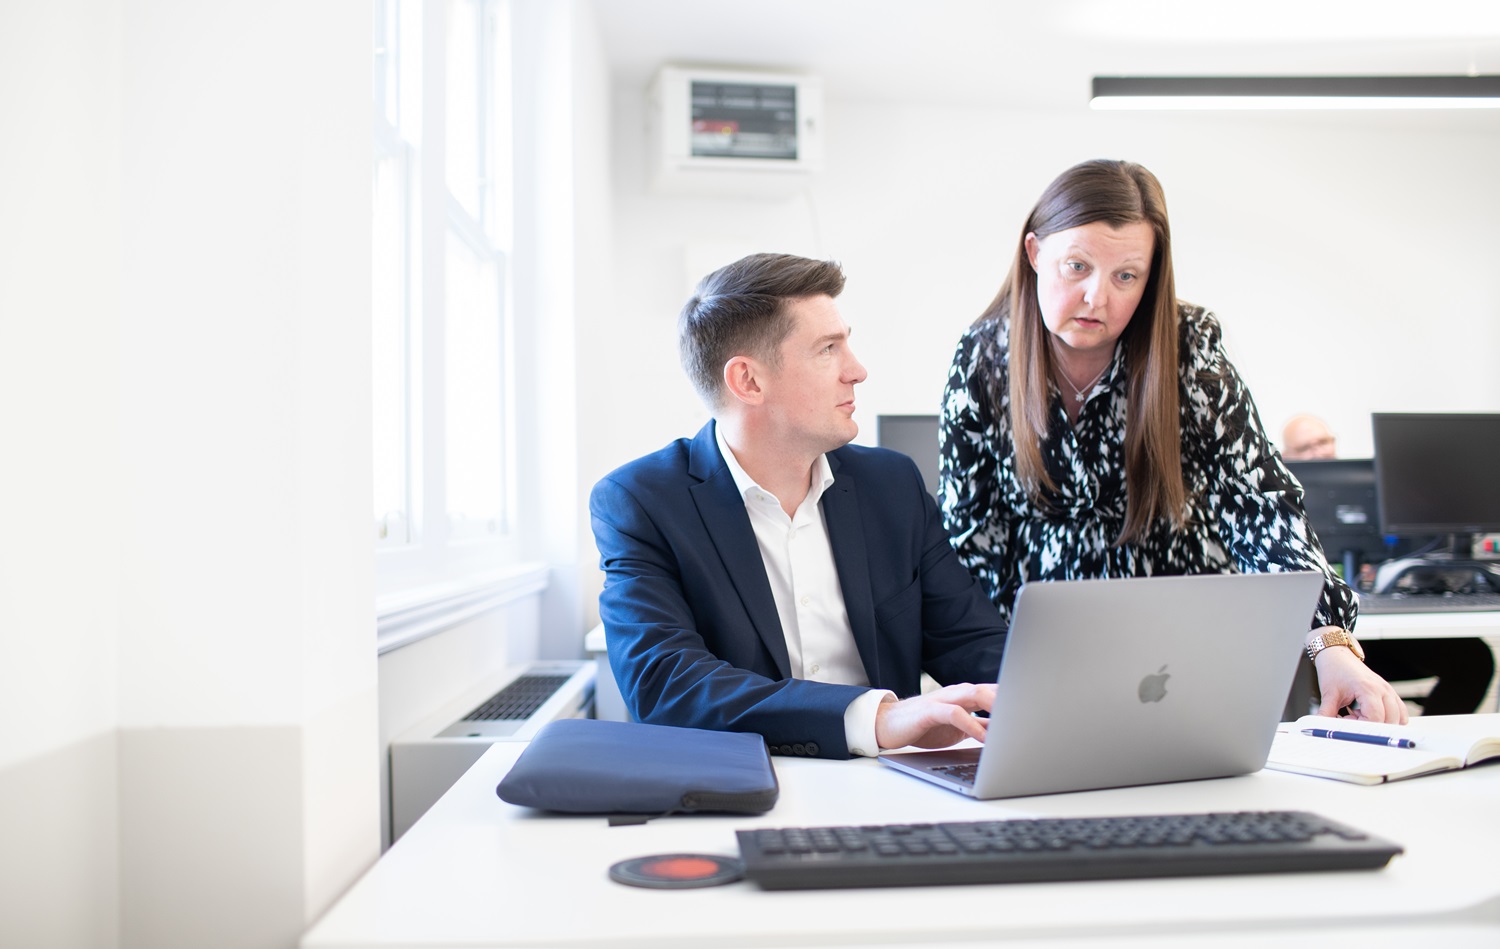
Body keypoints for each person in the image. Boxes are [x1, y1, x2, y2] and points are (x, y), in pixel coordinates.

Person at [940, 158, 1408, 724]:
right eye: (1077, 266)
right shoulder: (983, 358)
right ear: (1035, 253)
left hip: (1185, 647)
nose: (1097, 297)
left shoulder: (1189, 349)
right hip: (1045, 653)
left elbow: (1259, 503)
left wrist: (1328, 643)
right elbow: (972, 537)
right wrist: (993, 671)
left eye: (1126, 276)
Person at [591, 253, 1008, 759]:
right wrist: (876, 718)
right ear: (748, 381)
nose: (857, 370)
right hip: (741, 789)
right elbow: (669, 684)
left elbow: (976, 646)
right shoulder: (641, 502)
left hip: (893, 788)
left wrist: (1051, 699)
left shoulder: (891, 485)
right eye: (828, 350)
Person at [1282, 412, 1495, 713]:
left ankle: (1426, 747)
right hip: (1321, 639)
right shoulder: (1279, 506)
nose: (1320, 451)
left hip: (1375, 628)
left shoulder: (1371, 487)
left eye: (1324, 441)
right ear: (1286, 456)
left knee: (1473, 657)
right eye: (1306, 448)